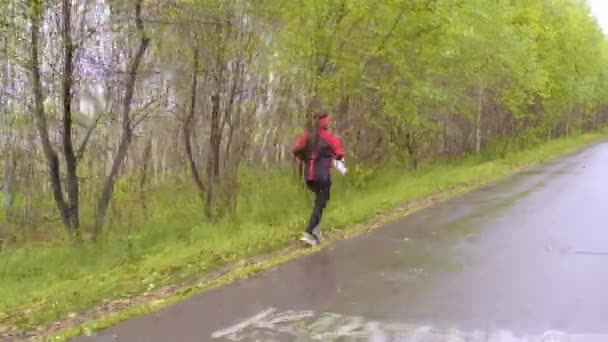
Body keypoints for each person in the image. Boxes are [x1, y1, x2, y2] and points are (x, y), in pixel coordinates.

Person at [293, 111, 345, 246]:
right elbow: (339, 152)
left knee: (318, 202)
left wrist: (305, 158)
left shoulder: (306, 136)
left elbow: (296, 149)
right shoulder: (328, 137)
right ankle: (309, 232)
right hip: (322, 176)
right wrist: (334, 159)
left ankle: (315, 232)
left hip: (309, 177)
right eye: (328, 120)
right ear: (326, 122)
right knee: (320, 204)